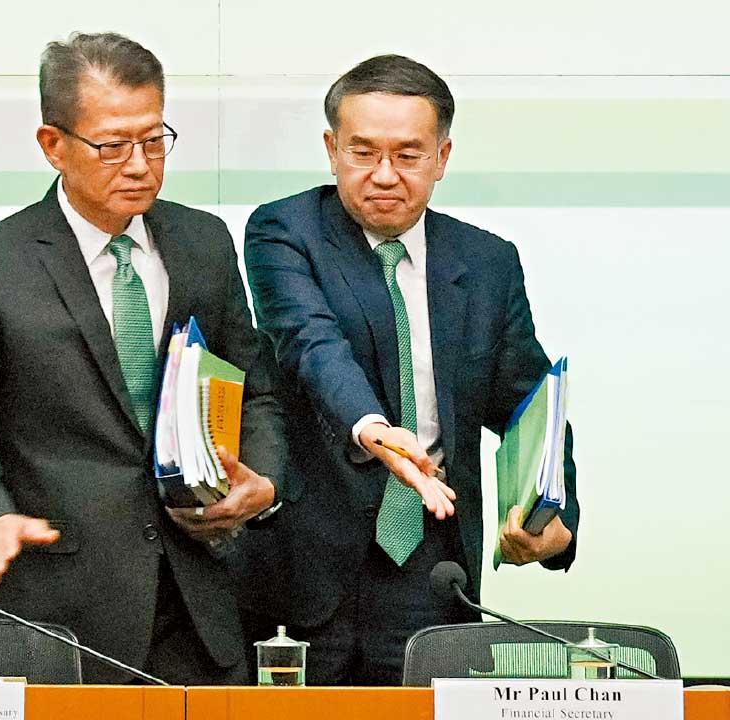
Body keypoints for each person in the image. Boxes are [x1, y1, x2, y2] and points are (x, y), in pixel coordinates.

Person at [0, 32, 284, 685]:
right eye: (113, 146)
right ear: (53, 145)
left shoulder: (203, 242)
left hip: (196, 609)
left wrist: (265, 482)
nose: (139, 165)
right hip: (53, 614)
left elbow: (255, 388)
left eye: (153, 140)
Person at [237, 54, 580, 685]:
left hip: (434, 566)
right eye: (363, 152)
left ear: (442, 157)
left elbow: (531, 406)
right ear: (332, 150)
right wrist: (372, 426)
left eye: (408, 155)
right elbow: (312, 343)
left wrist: (553, 520)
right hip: (305, 566)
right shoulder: (285, 231)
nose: (384, 175)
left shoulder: (487, 261)